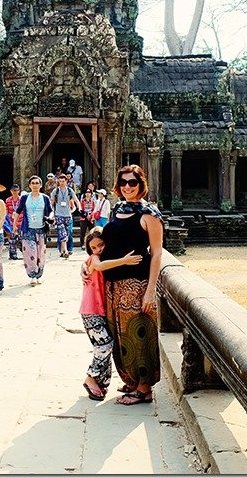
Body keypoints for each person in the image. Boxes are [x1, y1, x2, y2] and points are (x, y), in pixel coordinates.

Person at [100, 164, 164, 405]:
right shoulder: (116, 210)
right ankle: (132, 379)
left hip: (136, 283)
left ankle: (144, 387)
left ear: (141, 185)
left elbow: (156, 254)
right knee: (119, 333)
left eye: (132, 183)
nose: (127, 186)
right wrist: (92, 262)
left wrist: (150, 292)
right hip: (113, 283)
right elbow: (105, 243)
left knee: (139, 332)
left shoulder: (149, 214)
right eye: (124, 182)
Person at [79, 227, 143, 400]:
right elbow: (97, 265)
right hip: (90, 310)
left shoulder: (98, 259)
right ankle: (91, 378)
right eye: (94, 247)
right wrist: (124, 260)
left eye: (101, 245)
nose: (98, 249)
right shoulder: (94, 259)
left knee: (108, 345)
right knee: (104, 345)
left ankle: (102, 382)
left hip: (101, 310)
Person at [13, 175, 54, 285]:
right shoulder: (25, 198)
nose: (35, 185)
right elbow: (18, 211)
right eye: (33, 183)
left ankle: (39, 274)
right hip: (28, 229)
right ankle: (33, 275)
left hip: (41, 229)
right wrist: (14, 225)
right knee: (30, 253)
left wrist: (50, 217)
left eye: (37, 183)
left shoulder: (45, 198)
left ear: (41, 185)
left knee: (40, 254)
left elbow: (51, 210)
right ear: (29, 185)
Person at [51, 174, 81, 259]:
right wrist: (51, 214)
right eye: (60, 181)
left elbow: (76, 200)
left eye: (63, 181)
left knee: (67, 234)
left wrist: (80, 208)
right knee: (62, 233)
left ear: (66, 181)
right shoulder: (55, 191)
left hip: (68, 215)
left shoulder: (70, 191)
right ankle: (66, 251)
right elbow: (52, 203)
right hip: (58, 214)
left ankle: (62, 251)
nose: (61, 183)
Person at [3, 183, 23, 260]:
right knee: (12, 239)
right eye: (13, 190)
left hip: (20, 222)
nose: (14, 192)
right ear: (11, 191)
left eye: (16, 190)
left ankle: (25, 252)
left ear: (19, 191)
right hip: (11, 222)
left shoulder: (21, 199)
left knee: (22, 239)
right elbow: (6, 211)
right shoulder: (8, 200)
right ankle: (13, 255)